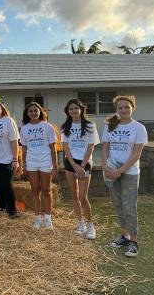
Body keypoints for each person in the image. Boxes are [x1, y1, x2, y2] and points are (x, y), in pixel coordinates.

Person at [102, 95, 147, 257]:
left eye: (126, 107)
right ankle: (125, 236)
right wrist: (106, 167)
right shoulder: (109, 126)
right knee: (118, 204)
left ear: (132, 107)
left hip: (130, 172)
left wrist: (120, 171)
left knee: (129, 206)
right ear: (116, 109)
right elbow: (105, 148)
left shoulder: (139, 128)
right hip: (111, 170)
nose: (123, 110)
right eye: (120, 107)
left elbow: (136, 154)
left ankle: (133, 242)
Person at [61, 99, 100, 239]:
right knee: (74, 195)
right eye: (70, 109)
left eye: (76, 108)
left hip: (85, 163)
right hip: (70, 163)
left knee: (83, 197)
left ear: (81, 109)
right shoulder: (65, 126)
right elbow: (65, 147)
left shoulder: (90, 125)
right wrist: (74, 165)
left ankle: (90, 226)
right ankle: (80, 223)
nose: (73, 111)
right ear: (68, 111)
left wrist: (82, 165)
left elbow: (91, 146)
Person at [20, 102, 58, 229]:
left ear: (40, 112)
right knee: (35, 189)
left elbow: (53, 148)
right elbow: (24, 149)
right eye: (31, 111)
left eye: (36, 111)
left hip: (46, 161)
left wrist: (55, 165)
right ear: (27, 113)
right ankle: (37, 218)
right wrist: (24, 165)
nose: (33, 113)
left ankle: (48, 218)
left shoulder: (48, 127)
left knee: (46, 190)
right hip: (32, 162)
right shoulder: (24, 128)